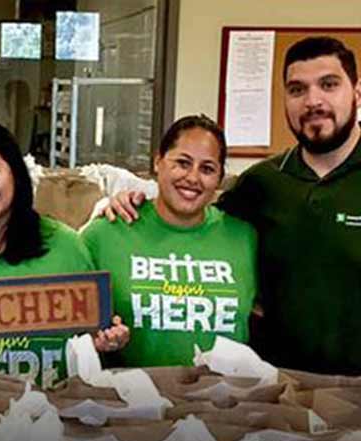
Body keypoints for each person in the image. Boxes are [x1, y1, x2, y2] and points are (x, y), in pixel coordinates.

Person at [104, 37, 361, 374]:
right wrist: (129, 200)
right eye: (297, 89)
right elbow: (193, 216)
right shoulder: (261, 183)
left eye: (329, 85)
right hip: (277, 391)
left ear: (356, 90)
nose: (313, 101)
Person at [0, 123, 128, 388]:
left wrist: (107, 341)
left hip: (56, 415)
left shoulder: (66, 246)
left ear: (15, 175)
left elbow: (98, 332)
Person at [83, 115, 256, 368]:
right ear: (158, 162)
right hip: (131, 399)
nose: (193, 178)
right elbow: (69, 327)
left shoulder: (245, 238)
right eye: (182, 163)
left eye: (207, 169)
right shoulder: (104, 233)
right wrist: (98, 339)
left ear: (219, 179)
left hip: (223, 401)